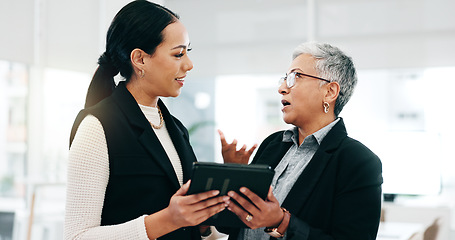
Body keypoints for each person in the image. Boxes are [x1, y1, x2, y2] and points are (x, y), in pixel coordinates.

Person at [65, 1, 227, 239]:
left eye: (187, 53)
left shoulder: (177, 129)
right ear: (140, 59)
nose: (189, 64)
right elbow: (76, 236)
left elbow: (193, 227)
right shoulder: (97, 126)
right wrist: (167, 220)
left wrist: (206, 217)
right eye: (178, 54)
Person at [218, 42, 383, 239]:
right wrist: (233, 181)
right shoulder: (272, 143)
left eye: (295, 77)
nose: (281, 88)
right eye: (284, 79)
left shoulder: (359, 162)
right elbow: (230, 227)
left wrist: (282, 222)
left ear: (329, 92)